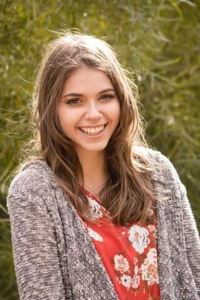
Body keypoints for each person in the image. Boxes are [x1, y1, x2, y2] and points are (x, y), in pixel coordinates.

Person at [7, 31, 200, 300]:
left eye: (106, 97)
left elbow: (195, 274)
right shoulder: (34, 192)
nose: (94, 114)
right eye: (74, 101)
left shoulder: (158, 173)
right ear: (52, 109)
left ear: (122, 99)